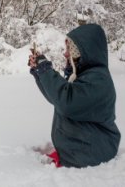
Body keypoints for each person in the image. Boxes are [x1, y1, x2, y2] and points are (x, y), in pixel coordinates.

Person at [29, 23, 121, 168]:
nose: (65, 53)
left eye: (69, 49)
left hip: (94, 151)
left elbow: (66, 102)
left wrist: (45, 70)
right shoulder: (86, 76)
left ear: (83, 51)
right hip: (88, 147)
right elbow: (56, 98)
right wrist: (39, 72)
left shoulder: (97, 79)